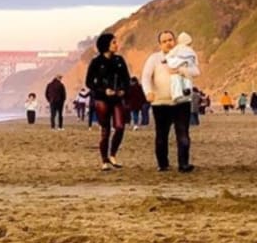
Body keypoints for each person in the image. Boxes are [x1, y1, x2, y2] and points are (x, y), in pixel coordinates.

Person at [141, 30, 200, 172]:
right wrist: (148, 91)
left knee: (183, 134)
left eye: (170, 40)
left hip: (181, 101)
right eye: (165, 41)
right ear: (160, 44)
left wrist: (181, 70)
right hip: (161, 103)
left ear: (175, 41)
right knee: (161, 135)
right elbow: (146, 77)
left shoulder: (184, 55)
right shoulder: (154, 59)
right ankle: (163, 164)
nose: (168, 43)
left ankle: (183, 164)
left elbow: (196, 71)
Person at [85, 31, 131, 171]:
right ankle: (104, 160)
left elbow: (126, 79)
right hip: (102, 99)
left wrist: (123, 89)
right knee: (105, 131)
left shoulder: (119, 60)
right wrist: (103, 91)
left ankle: (113, 154)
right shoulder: (96, 62)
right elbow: (88, 82)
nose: (117, 45)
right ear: (106, 45)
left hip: (117, 98)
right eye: (114, 42)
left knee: (120, 127)